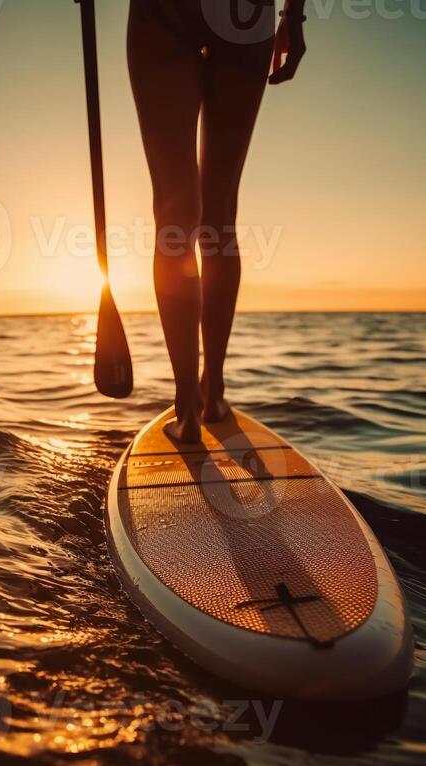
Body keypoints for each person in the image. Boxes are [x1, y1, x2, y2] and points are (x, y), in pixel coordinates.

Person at [127, 0, 306, 442]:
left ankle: (187, 406)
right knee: (218, 215)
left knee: (175, 212)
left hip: (165, 14)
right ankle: (213, 391)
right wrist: (294, 16)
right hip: (245, 16)